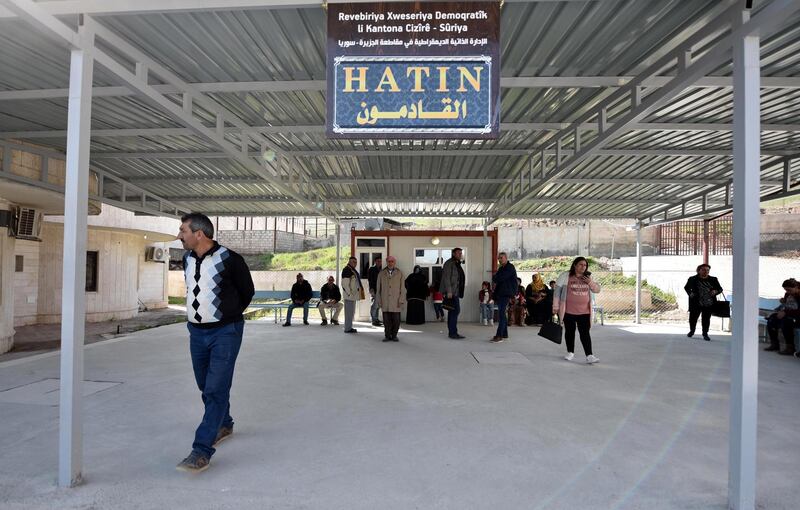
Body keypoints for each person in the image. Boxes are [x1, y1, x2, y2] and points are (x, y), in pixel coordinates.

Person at [175, 213, 254, 473]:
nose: (179, 235)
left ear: (199, 234)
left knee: (215, 389)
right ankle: (225, 422)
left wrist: (228, 315)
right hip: (196, 333)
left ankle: (201, 450)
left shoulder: (230, 259)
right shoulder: (186, 258)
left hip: (225, 332)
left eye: (183, 230)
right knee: (205, 384)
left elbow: (247, 292)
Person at [554, 257, 602, 364]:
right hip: (568, 311)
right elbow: (557, 292)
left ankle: (589, 355)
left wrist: (590, 282)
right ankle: (570, 352)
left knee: (585, 333)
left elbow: (597, 290)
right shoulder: (565, 276)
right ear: (575, 265)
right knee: (570, 332)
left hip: (584, 312)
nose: (583, 267)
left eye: (585, 265)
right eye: (580, 264)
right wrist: (555, 306)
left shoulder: (588, 277)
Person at [683, 264, 723, 341]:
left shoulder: (713, 279)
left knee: (706, 319)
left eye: (707, 270)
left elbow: (720, 289)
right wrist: (690, 293)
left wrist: (716, 291)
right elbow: (686, 287)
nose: (706, 272)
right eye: (704, 270)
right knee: (693, 318)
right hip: (696, 302)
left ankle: (705, 333)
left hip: (709, 303)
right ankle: (692, 331)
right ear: (699, 270)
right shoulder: (692, 279)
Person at [765, 278, 799, 355]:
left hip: (796, 317)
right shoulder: (788, 294)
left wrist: (785, 312)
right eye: (786, 290)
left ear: (796, 287)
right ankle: (774, 344)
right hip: (788, 314)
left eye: (789, 290)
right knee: (771, 319)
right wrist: (784, 302)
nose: (787, 292)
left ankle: (790, 347)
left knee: (786, 322)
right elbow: (787, 305)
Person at [376, 256, 406, 341]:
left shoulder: (399, 273)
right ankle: (387, 336)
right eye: (389, 261)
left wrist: (401, 300)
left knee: (396, 320)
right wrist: (379, 300)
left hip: (396, 301)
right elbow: (378, 288)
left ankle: (394, 335)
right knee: (386, 321)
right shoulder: (381, 273)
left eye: (392, 261)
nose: (390, 263)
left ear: (394, 262)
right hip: (385, 300)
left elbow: (403, 288)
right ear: (386, 262)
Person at [440, 247, 466, 339]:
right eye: (459, 253)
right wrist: (449, 291)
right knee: (455, 311)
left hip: (456, 291)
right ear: (454, 254)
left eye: (461, 253)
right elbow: (446, 278)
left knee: (452, 311)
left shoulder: (456, 263)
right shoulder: (449, 263)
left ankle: (452, 332)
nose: (460, 254)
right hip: (452, 292)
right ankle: (453, 333)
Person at [491, 252, 517, 343]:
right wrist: (496, 277)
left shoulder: (510, 267)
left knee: (501, 314)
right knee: (502, 314)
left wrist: (496, 277)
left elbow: (499, 278)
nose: (499, 260)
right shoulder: (501, 268)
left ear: (506, 258)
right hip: (501, 293)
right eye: (499, 258)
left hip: (506, 294)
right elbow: (496, 278)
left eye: (501, 258)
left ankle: (499, 335)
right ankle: (504, 334)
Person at [341, 256, 363, 333]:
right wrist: (349, 294)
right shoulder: (346, 270)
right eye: (353, 262)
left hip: (352, 296)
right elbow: (344, 284)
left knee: (351, 313)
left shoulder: (352, 270)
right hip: (349, 296)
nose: (355, 263)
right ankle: (347, 329)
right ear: (349, 262)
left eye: (355, 262)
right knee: (348, 313)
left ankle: (349, 327)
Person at [367, 257, 383, 327]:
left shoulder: (381, 270)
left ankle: (376, 319)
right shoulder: (372, 269)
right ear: (375, 261)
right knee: (374, 305)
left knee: (378, 305)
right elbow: (370, 280)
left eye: (380, 261)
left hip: (380, 290)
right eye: (378, 261)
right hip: (374, 289)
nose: (379, 262)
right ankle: (373, 320)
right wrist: (371, 289)